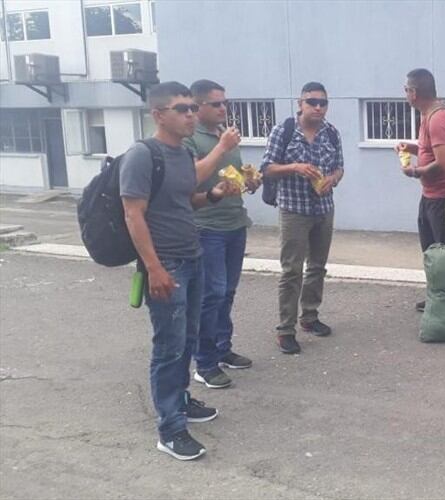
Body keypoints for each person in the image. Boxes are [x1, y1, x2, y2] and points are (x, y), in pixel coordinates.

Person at [120, 81, 240, 460]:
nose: (190, 114)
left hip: (193, 256)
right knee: (169, 347)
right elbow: (133, 214)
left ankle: (182, 400)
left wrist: (215, 195)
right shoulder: (143, 155)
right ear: (159, 115)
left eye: (192, 107)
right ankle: (170, 429)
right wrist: (154, 268)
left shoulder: (181, 156)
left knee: (188, 338)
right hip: (166, 263)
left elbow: (187, 201)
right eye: (182, 109)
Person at [183, 79, 258, 390]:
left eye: (224, 103)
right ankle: (205, 362)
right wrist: (222, 147)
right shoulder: (192, 139)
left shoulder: (225, 137)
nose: (223, 108)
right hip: (207, 227)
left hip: (234, 222)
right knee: (210, 295)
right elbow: (191, 178)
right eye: (215, 104)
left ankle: (222, 348)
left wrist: (249, 180)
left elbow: (230, 177)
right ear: (198, 107)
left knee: (227, 292)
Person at [260, 81, 344, 355]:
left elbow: (339, 168)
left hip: (323, 208)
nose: (318, 107)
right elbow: (267, 169)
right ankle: (285, 329)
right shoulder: (283, 131)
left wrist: (331, 178)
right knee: (291, 270)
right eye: (312, 102)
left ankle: (309, 316)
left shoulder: (331, 133)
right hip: (293, 210)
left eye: (323, 103)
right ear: (300, 103)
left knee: (317, 266)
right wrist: (294, 167)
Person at [395, 68, 445, 313]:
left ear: (414, 92)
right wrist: (413, 149)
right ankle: (439, 295)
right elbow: (432, 151)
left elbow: (443, 164)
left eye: (406, 89)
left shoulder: (438, 118)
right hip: (430, 196)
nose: (405, 93)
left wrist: (414, 172)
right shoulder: (427, 115)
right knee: (431, 250)